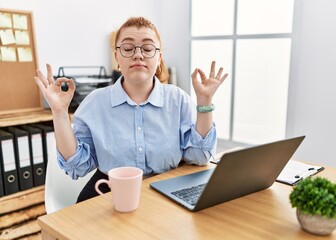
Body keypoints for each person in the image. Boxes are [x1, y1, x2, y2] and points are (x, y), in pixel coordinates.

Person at [34, 16, 228, 202]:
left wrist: (204, 102)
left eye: (147, 48)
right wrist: (59, 112)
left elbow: (200, 156)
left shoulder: (178, 99)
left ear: (159, 58)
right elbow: (77, 166)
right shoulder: (95, 102)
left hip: (164, 189)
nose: (138, 54)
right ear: (117, 56)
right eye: (127, 47)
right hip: (109, 193)